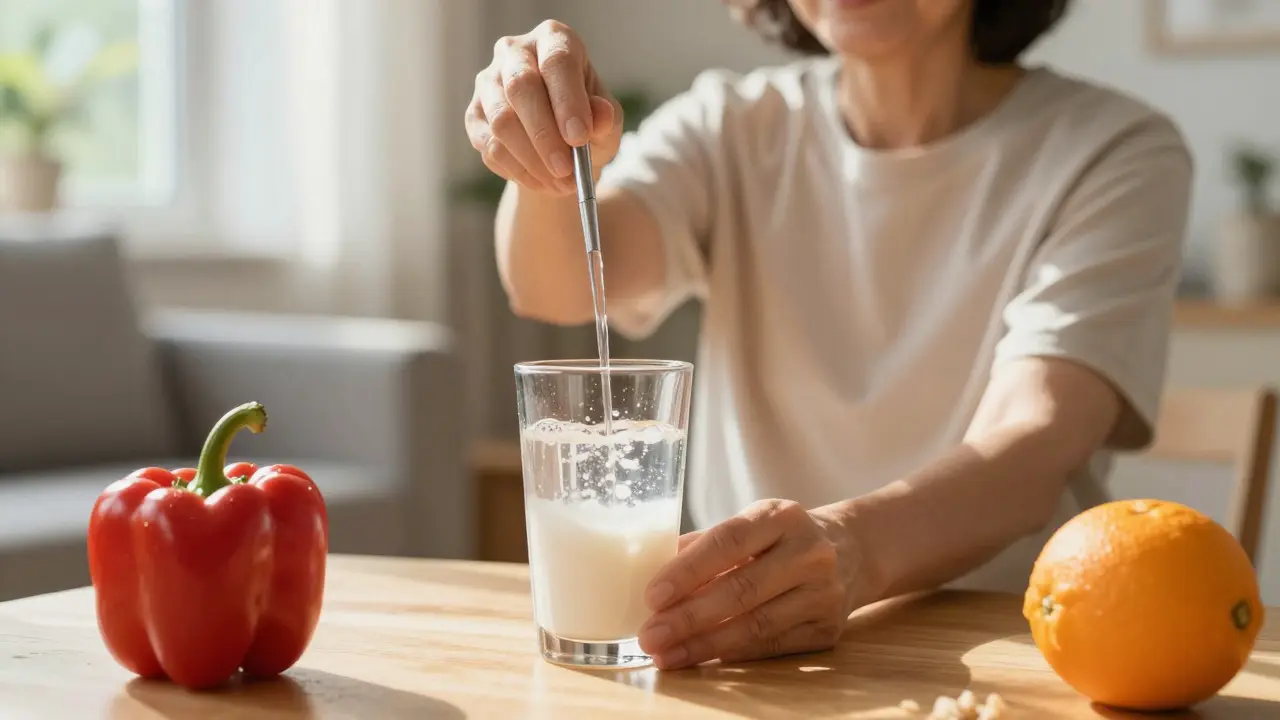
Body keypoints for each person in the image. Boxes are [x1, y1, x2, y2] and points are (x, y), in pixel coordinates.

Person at [464, 0, 1191, 671]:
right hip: (740, 661)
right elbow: (555, 285)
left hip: (1012, 650)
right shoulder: (729, 127)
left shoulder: (1113, 151)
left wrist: (854, 548)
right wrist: (549, 166)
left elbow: (1034, 440)